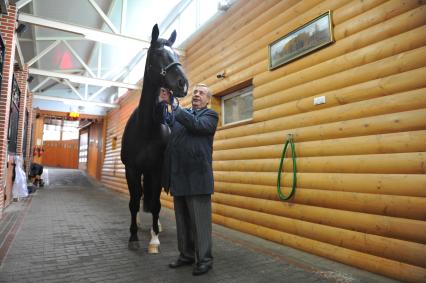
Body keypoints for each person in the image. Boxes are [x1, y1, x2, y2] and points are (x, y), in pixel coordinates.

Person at [161, 84, 218, 276]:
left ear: (208, 99)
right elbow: (167, 119)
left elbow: (195, 125)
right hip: (179, 177)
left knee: (200, 224)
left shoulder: (210, 116)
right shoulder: (181, 114)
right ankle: (186, 255)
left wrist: (175, 106)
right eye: (195, 92)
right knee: (182, 222)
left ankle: (205, 260)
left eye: (201, 93)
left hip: (198, 179)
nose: (196, 95)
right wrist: (163, 102)